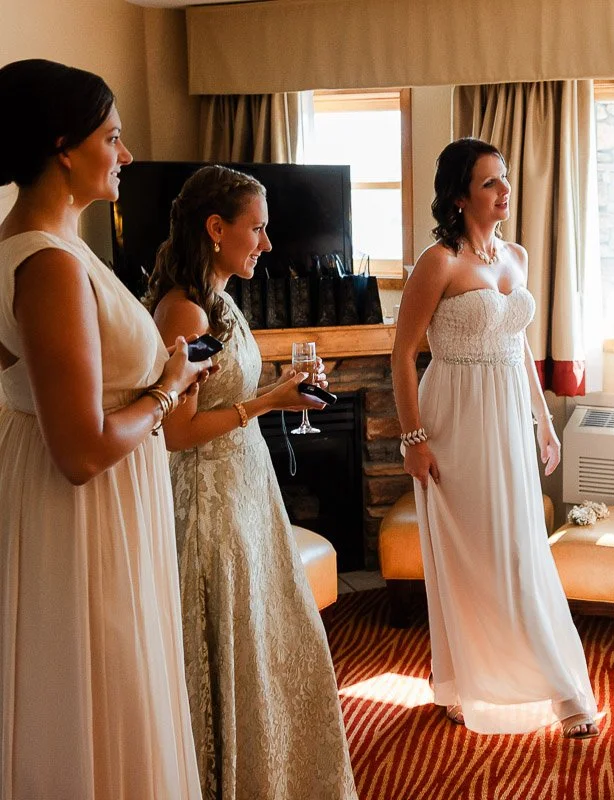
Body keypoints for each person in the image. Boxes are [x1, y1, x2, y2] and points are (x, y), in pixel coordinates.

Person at [0, 59, 208, 799]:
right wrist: (166, 390)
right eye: (113, 138)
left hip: (91, 508)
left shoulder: (42, 245)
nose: (125, 156)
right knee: (106, 684)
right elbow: (81, 452)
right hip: (88, 516)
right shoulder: (49, 263)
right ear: (64, 146)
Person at [145, 165, 357, 799]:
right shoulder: (183, 309)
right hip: (209, 505)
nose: (267, 244)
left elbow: (221, 401)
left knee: (270, 635)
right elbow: (178, 431)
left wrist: (280, 393)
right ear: (216, 229)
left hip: (245, 487)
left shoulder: (220, 298)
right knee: (232, 642)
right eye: (257, 229)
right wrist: (267, 405)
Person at [390, 137, 597, 738]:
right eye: (490, 183)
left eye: (505, 179)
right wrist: (413, 438)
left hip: (506, 411)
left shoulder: (517, 257)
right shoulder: (440, 262)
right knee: (466, 554)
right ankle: (463, 680)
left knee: (519, 550)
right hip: (454, 417)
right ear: (459, 196)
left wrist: (542, 420)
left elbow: (518, 348)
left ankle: (551, 684)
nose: (505, 191)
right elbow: (402, 354)